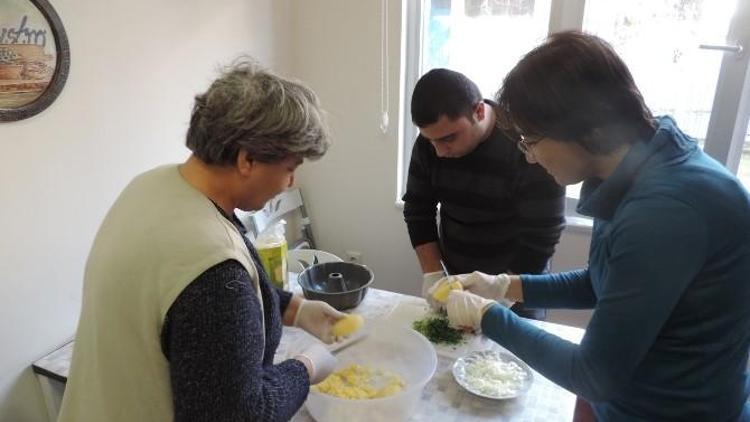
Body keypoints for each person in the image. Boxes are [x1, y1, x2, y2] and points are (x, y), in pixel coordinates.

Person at [441, 31, 750, 421]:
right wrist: (505, 285)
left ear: (588, 127)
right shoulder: (636, 165)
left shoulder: (666, 212)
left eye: (530, 139)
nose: (530, 158)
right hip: (626, 400)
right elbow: (601, 281)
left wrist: (488, 315)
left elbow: (593, 375)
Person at [59, 60, 348, 422]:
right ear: (247, 159)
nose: (289, 183)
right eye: (290, 168)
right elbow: (240, 415)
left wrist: (296, 309)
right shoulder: (212, 272)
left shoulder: (150, 186)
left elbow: (193, 303)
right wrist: (306, 368)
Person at [403, 68, 565, 319]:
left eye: (448, 139)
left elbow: (542, 234)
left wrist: (502, 294)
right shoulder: (432, 143)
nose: (439, 152)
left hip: (519, 286)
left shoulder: (526, 142)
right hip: (457, 281)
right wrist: (434, 276)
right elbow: (417, 210)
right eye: (430, 140)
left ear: (478, 111)